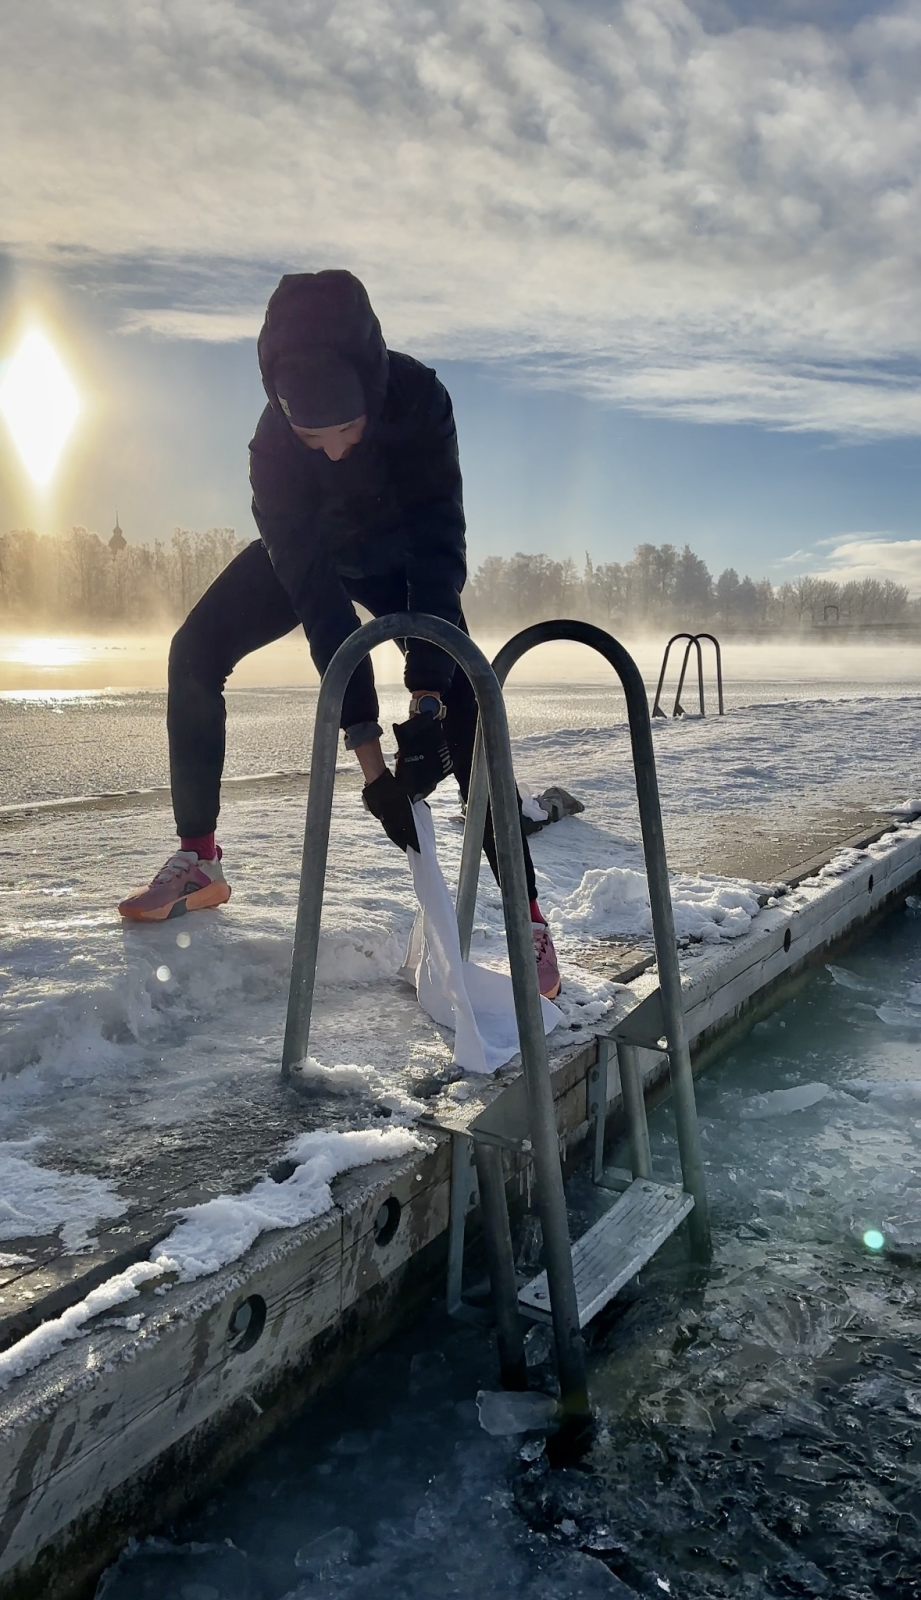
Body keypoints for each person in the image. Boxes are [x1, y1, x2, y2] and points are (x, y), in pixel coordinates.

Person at [118, 270, 561, 999]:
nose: (329, 453)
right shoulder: (270, 449)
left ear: (371, 396)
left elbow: (437, 550)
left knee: (468, 700)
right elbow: (322, 609)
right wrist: (374, 773)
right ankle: (199, 860)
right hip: (315, 556)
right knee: (193, 653)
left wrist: (427, 701)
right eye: (309, 437)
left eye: (347, 433)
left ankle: (528, 914)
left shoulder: (418, 401)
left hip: (398, 556)